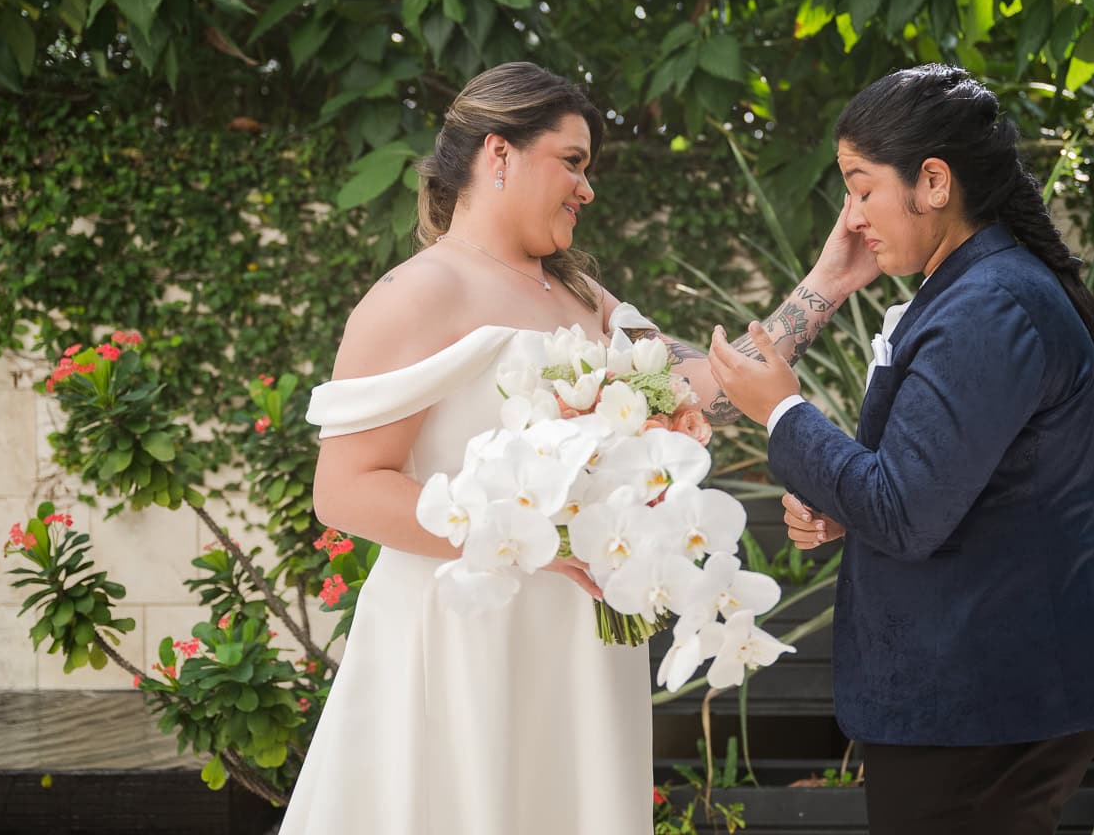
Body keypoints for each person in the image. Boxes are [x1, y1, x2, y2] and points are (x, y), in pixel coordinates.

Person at [278, 62, 869, 834]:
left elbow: (715, 387)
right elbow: (347, 489)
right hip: (467, 642)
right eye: (573, 161)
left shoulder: (586, 299)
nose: (587, 189)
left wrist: (831, 277)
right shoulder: (414, 294)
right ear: (498, 153)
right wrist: (534, 546)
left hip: (580, 643)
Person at [707, 64, 1094, 835]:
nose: (851, 216)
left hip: (984, 694)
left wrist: (783, 412)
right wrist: (847, 509)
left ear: (932, 180)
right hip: (985, 688)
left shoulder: (989, 304)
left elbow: (905, 510)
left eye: (860, 187)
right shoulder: (977, 288)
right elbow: (934, 487)